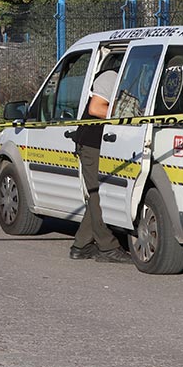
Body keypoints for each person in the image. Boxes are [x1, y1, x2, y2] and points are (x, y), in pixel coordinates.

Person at [69, 65, 129, 263]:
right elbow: (95, 108)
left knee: (98, 195)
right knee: (96, 194)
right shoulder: (110, 75)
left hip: (107, 143)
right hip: (92, 143)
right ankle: (107, 246)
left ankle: (81, 245)